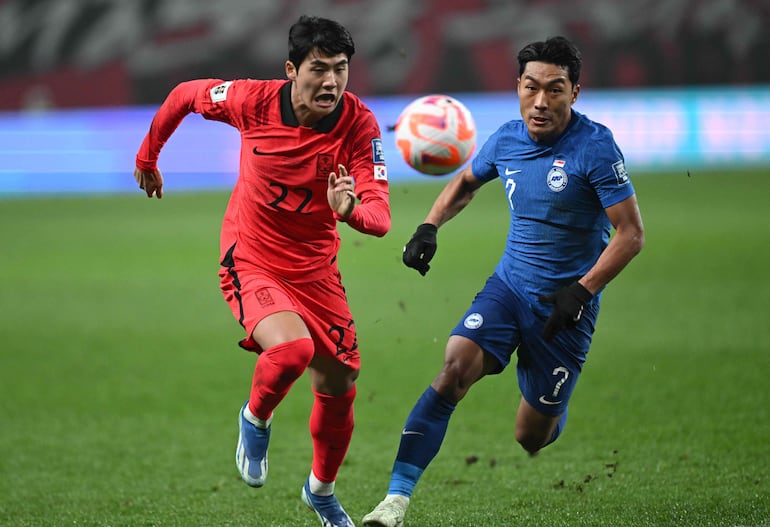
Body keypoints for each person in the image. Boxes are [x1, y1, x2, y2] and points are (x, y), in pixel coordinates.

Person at [362, 36, 644, 527]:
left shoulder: (595, 148)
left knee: (530, 436)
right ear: (517, 86)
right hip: (509, 289)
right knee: (453, 368)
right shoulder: (507, 139)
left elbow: (631, 234)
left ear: (575, 92)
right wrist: (430, 226)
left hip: (565, 309)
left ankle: (553, 406)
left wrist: (581, 291)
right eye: (531, 87)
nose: (541, 102)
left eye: (555, 90)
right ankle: (395, 502)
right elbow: (466, 182)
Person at [133, 15, 390, 527]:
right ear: (291, 69)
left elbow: (380, 219)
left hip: (316, 268)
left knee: (341, 381)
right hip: (251, 256)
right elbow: (186, 93)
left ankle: (320, 491)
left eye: (341, 70)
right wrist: (148, 156)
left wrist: (348, 211)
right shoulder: (250, 101)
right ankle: (256, 417)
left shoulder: (360, 126)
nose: (331, 83)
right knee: (293, 349)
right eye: (319, 69)